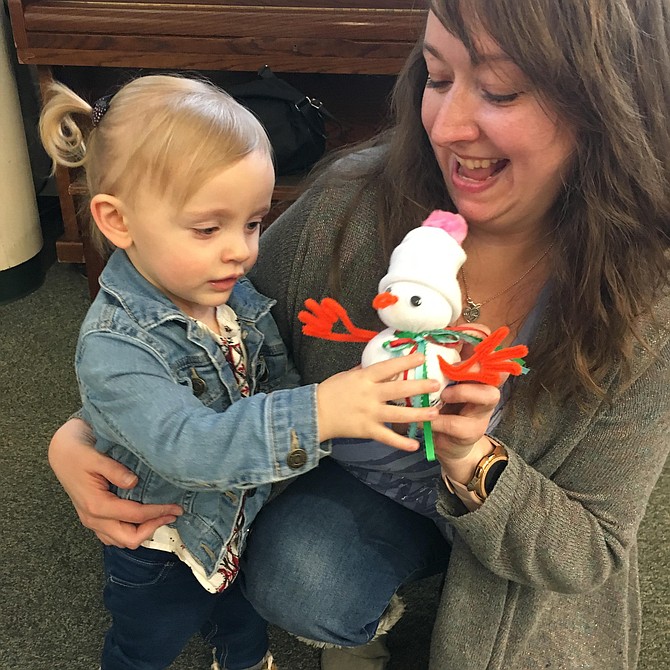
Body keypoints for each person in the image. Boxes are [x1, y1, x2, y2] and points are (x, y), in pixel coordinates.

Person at [48, 1, 670, 668]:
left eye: (498, 90)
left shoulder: (645, 304)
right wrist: (78, 433)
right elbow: (200, 336)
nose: (448, 126)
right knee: (303, 576)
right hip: (362, 490)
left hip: (527, 521)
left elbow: (592, 548)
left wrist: (471, 461)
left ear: (606, 105)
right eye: (435, 78)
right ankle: (365, 623)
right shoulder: (352, 207)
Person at [38, 74, 444, 670]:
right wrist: (320, 412)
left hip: (238, 521)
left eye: (253, 223)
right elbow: (188, 447)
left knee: (241, 620)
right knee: (149, 638)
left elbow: (269, 380)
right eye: (208, 228)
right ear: (117, 221)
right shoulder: (114, 343)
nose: (241, 250)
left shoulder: (234, 299)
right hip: (162, 542)